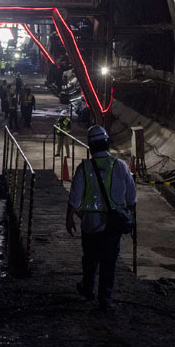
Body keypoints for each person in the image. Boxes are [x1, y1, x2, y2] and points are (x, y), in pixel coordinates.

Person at [66, 125, 136, 312]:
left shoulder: (84, 167)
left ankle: (88, 288)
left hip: (90, 223)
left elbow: (75, 196)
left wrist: (69, 218)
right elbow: (131, 197)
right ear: (106, 143)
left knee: (89, 258)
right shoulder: (120, 166)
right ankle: (105, 298)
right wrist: (131, 218)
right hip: (113, 224)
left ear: (90, 146)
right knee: (109, 262)